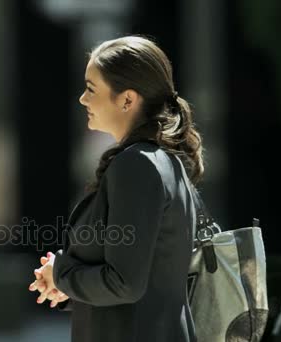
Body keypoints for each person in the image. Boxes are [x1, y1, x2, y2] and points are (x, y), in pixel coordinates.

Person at [29, 36, 203, 342]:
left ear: (127, 100)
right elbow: (143, 277)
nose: (82, 99)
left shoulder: (137, 166)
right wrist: (66, 282)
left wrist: (62, 273)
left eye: (91, 89)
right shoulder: (161, 161)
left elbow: (124, 283)